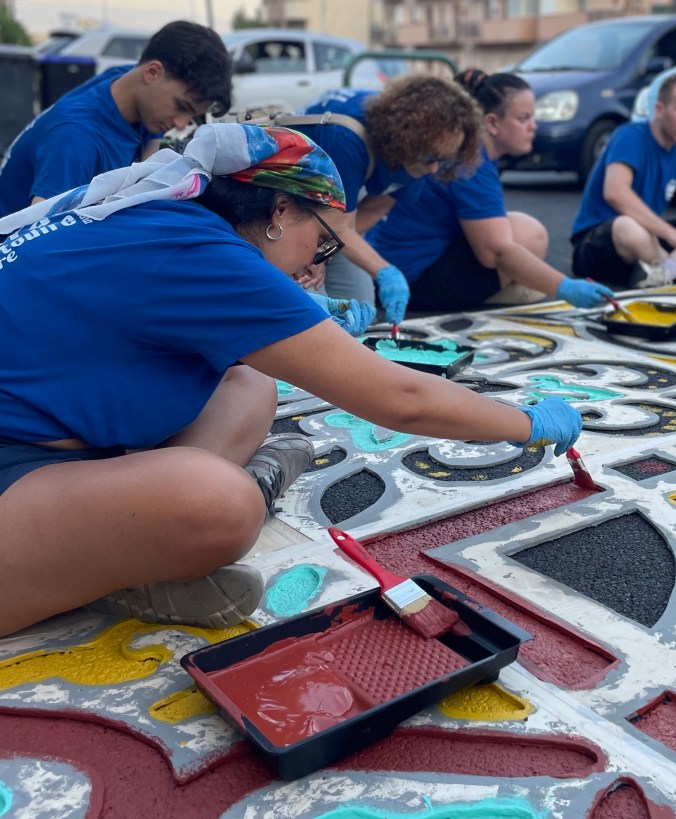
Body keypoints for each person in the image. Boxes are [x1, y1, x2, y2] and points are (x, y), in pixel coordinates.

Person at [0, 124, 583, 638]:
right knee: (221, 506)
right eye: (323, 240)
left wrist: (303, 314)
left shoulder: (163, 218)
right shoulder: (203, 251)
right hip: (15, 465)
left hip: (51, 443)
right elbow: (399, 397)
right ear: (280, 211)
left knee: (247, 387)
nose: (316, 266)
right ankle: (160, 542)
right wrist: (526, 421)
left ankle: (110, 555)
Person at [366, 69, 615, 312]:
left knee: (511, 229)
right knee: (529, 234)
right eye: (523, 118)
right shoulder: (472, 161)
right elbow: (495, 253)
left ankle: (497, 288)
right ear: (492, 123)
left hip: (394, 267)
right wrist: (565, 287)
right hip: (415, 282)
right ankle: (492, 295)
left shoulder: (467, 147)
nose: (533, 127)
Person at [287, 76, 482, 324]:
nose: (435, 169)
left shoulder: (425, 150)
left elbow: (370, 211)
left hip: (329, 217)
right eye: (431, 158)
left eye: (444, 160)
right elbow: (335, 225)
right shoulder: (345, 138)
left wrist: (325, 252)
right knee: (315, 321)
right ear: (405, 139)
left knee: (361, 309)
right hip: (289, 212)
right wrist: (384, 271)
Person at [0, 20, 233, 215]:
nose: (180, 123)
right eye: (181, 106)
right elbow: (38, 243)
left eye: (191, 113)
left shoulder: (129, 85)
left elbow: (147, 171)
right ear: (152, 72)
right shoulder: (75, 139)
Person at [570, 71, 676, 290]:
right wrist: (672, 234)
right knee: (629, 227)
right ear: (659, 109)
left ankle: (664, 273)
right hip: (597, 244)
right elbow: (615, 193)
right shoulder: (630, 136)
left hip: (649, 243)